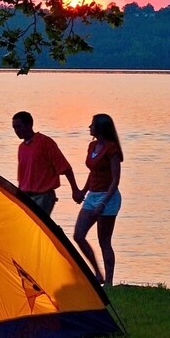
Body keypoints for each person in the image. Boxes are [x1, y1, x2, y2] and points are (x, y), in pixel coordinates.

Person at [73, 113, 123, 287]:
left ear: (100, 127)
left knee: (104, 241)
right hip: (92, 196)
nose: (89, 127)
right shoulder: (92, 146)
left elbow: (115, 179)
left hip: (108, 197)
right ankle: (97, 273)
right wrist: (83, 191)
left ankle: (109, 282)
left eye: (92, 124)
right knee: (78, 235)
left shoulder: (112, 149)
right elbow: (93, 172)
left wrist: (103, 203)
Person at [11, 111, 81, 216]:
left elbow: (65, 168)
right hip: (26, 197)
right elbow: (22, 176)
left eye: (19, 126)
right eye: (14, 128)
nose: (16, 131)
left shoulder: (45, 142)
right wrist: (18, 196)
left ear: (29, 125)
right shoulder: (21, 148)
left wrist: (75, 190)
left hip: (43, 196)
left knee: (37, 224)